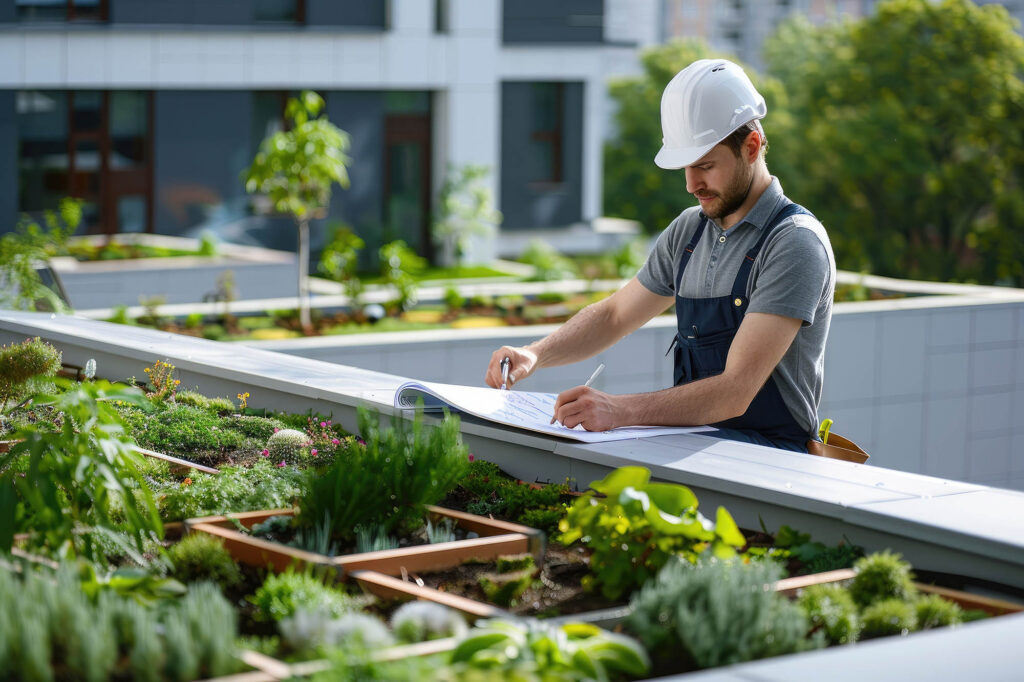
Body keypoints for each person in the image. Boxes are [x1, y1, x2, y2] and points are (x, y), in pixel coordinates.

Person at [484, 58, 835, 452]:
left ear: (751, 147)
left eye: (704, 166)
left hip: (771, 466)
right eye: (685, 167)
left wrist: (618, 410)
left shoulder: (794, 244)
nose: (691, 184)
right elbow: (615, 315)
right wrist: (535, 354)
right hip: (694, 450)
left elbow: (735, 392)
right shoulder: (690, 230)